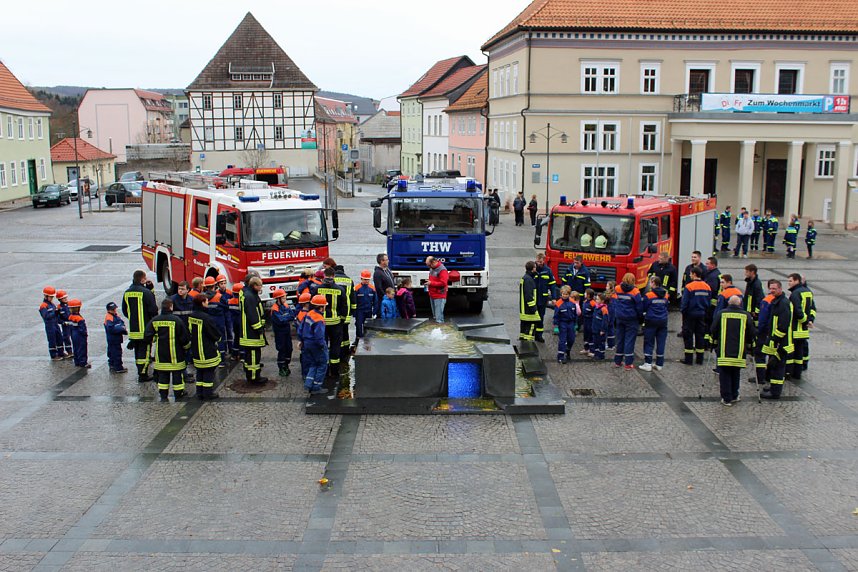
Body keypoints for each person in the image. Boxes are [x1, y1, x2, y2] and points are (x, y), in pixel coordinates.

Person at [710, 295, 756, 406]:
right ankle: (735, 394)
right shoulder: (746, 315)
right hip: (739, 351)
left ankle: (726, 398)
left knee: (724, 373)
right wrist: (751, 346)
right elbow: (751, 333)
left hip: (724, 350)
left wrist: (713, 343)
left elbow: (713, 329)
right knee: (736, 372)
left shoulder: (721, 314)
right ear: (740, 304)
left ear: (729, 303)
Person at [144, 299, 191, 401]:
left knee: (163, 377)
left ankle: (163, 396)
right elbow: (184, 338)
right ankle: (178, 394)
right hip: (176, 355)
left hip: (161, 356)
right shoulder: (177, 320)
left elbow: (147, 336)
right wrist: (187, 348)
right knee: (177, 377)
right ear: (171, 307)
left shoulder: (155, 320)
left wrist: (155, 339)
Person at [760, 279, 796, 400]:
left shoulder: (783, 303)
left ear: (780, 289)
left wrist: (776, 339)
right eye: (770, 288)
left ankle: (775, 392)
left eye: (774, 288)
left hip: (781, 343)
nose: (772, 290)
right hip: (776, 341)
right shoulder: (777, 301)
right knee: (773, 365)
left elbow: (783, 325)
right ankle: (773, 387)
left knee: (778, 368)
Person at [123, 270, 158, 382]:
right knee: (145, 351)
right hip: (145, 329)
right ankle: (143, 374)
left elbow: (125, 310)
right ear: (143, 279)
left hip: (134, 329)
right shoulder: (146, 293)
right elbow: (153, 309)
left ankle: (140, 370)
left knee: (137, 351)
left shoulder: (127, 292)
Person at [187, 295, 222, 400]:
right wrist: (218, 338)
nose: (208, 303)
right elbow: (214, 333)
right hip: (207, 349)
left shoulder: (191, 316)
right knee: (208, 371)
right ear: (202, 303)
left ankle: (200, 392)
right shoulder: (206, 318)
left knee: (200, 371)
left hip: (196, 349)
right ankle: (208, 393)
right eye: (206, 301)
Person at [239, 276, 268, 385]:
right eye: (260, 286)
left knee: (249, 356)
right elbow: (253, 315)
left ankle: (250, 373)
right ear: (255, 286)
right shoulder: (250, 297)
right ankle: (254, 377)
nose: (261, 288)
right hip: (251, 333)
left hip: (247, 331)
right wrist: (259, 328)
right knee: (253, 356)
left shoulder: (246, 293)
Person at [680, 267, 711, 365]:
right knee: (699, 336)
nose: (689, 275)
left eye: (690, 274)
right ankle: (699, 359)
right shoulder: (707, 287)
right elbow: (708, 302)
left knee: (688, 336)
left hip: (690, 314)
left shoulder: (689, 287)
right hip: (701, 314)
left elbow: (685, 302)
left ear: (694, 274)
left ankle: (688, 360)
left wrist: (683, 312)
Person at [612, 273, 643, 370]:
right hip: (631, 319)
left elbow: (614, 302)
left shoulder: (617, 288)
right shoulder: (635, 291)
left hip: (620, 317)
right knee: (629, 340)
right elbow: (639, 306)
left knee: (620, 339)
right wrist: (640, 318)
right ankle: (628, 363)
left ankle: (617, 361)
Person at [787, 273, 815, 380]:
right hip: (803, 331)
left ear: (796, 281)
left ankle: (790, 373)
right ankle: (797, 373)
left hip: (795, 329)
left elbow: (797, 311)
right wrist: (810, 320)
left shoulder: (795, 294)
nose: (788, 283)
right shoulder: (808, 292)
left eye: (790, 281)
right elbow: (812, 308)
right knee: (799, 354)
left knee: (791, 353)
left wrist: (805, 321)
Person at [639, 276, 669, 371]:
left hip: (651, 320)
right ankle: (659, 364)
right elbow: (666, 305)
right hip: (663, 320)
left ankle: (648, 363)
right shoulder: (665, 294)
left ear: (653, 283)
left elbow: (644, 307)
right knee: (661, 342)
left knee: (649, 342)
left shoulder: (649, 295)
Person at [303, 295, 329, 394]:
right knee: (322, 364)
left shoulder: (309, 314)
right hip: (316, 345)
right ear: (321, 307)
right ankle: (316, 387)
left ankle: (308, 384)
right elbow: (319, 336)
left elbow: (302, 328)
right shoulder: (319, 319)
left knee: (313, 364)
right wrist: (322, 346)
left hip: (307, 343)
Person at [332, 261, 356, 362]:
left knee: (338, 333)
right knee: (345, 332)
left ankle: (340, 352)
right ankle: (346, 350)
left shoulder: (333, 280)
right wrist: (353, 310)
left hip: (336, 311)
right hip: (347, 310)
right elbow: (352, 296)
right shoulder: (349, 280)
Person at [270, 289, 296, 377]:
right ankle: (281, 367)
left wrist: (286, 317)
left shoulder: (286, 305)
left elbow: (292, 315)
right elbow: (280, 321)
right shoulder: (274, 309)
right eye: (284, 297)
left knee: (289, 349)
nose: (285, 299)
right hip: (279, 333)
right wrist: (287, 317)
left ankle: (286, 364)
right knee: (281, 350)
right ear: (278, 299)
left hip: (286, 332)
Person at [549, 285, 577, 363]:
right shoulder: (558, 303)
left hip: (571, 323)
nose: (564, 296)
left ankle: (567, 351)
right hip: (563, 323)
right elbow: (556, 316)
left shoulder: (572, 302)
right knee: (562, 340)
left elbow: (575, 314)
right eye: (563, 294)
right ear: (561, 294)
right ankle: (560, 357)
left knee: (571, 339)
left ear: (569, 294)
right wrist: (556, 326)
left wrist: (575, 324)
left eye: (566, 294)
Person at [534, 253, 557, 342]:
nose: (538, 263)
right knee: (531, 317)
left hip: (542, 299)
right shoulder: (533, 269)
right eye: (537, 261)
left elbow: (552, 285)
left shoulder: (547, 271)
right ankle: (531, 334)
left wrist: (554, 297)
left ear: (544, 261)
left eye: (540, 261)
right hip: (534, 298)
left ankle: (539, 335)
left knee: (541, 317)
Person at [39, 286, 66, 361]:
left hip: (55, 324)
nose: (51, 298)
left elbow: (56, 315)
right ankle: (53, 355)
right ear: (45, 296)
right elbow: (46, 316)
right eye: (50, 297)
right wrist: (55, 312)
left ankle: (61, 352)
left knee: (59, 338)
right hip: (49, 326)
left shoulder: (52, 304)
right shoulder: (43, 306)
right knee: (52, 340)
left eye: (52, 297)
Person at [352, 270, 376, 349]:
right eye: (364, 279)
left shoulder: (372, 288)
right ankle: (358, 340)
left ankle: (367, 340)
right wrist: (354, 312)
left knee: (368, 326)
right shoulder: (356, 288)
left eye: (367, 279)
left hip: (369, 310)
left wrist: (375, 311)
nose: (366, 281)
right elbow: (353, 300)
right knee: (358, 325)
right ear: (361, 279)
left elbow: (376, 301)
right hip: (360, 311)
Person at [104, 302, 128, 373]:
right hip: (114, 339)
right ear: (109, 310)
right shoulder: (109, 318)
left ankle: (112, 365)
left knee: (112, 352)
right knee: (116, 353)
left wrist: (120, 326)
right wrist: (121, 328)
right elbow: (112, 329)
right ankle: (118, 367)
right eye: (113, 309)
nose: (115, 310)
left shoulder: (114, 316)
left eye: (115, 309)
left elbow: (121, 322)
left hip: (113, 339)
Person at [66, 299, 90, 368]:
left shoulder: (70, 317)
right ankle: (83, 362)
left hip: (73, 334)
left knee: (76, 348)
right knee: (82, 349)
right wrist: (85, 334)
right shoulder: (79, 318)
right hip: (80, 336)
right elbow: (82, 329)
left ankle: (77, 361)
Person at [519, 261, 540, 341]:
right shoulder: (529, 280)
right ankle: (528, 347)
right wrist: (534, 309)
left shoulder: (525, 278)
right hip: (529, 311)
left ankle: (523, 344)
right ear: (533, 269)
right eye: (535, 267)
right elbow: (529, 296)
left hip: (524, 310)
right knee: (531, 327)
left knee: (524, 328)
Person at [425, 256, 449, 323]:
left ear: (434, 262)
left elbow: (443, 283)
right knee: (435, 316)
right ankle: (438, 329)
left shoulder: (442, 270)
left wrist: (431, 283)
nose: (429, 267)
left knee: (439, 317)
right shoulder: (432, 268)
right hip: (433, 294)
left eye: (429, 265)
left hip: (439, 295)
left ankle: (440, 330)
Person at [591, 292, 609, 360]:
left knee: (601, 342)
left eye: (598, 299)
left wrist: (603, 330)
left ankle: (601, 355)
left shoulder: (604, 309)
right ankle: (596, 354)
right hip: (595, 329)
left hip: (600, 330)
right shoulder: (596, 307)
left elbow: (605, 321)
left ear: (602, 301)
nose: (596, 300)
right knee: (595, 342)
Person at [228, 282, 243, 361]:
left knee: (236, 338)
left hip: (233, 322)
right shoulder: (242, 302)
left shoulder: (230, 301)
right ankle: (242, 355)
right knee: (242, 338)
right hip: (241, 322)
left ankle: (234, 354)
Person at [56, 290, 73, 357]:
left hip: (71, 323)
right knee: (66, 338)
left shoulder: (70, 305)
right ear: (60, 299)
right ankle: (69, 351)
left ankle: (73, 351)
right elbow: (57, 318)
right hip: (65, 324)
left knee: (74, 337)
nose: (66, 299)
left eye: (66, 297)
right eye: (64, 298)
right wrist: (63, 322)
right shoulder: (59, 307)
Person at [580, 289, 596, 355]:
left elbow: (595, 312)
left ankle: (592, 350)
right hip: (585, 320)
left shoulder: (593, 303)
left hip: (590, 321)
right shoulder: (585, 301)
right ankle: (586, 348)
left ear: (588, 295)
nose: (584, 294)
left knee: (590, 335)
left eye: (585, 293)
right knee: (586, 335)